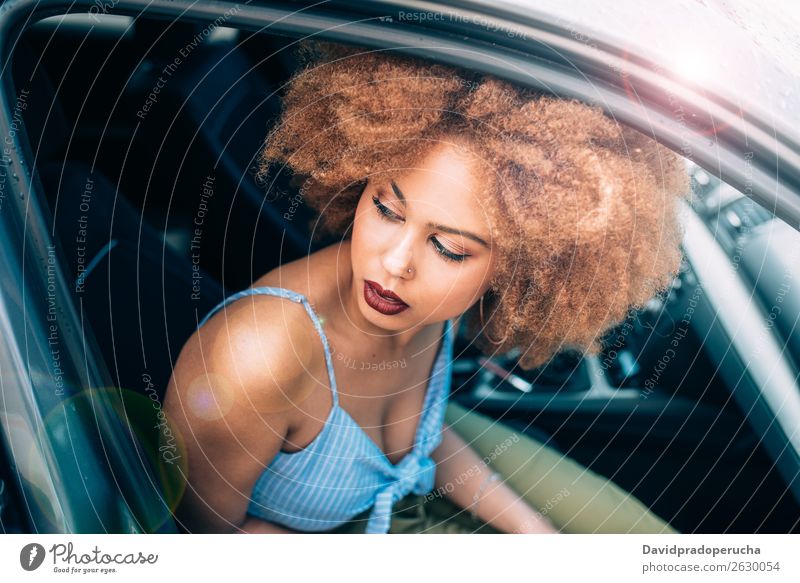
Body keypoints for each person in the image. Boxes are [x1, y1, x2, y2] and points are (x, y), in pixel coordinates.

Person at [163, 40, 688, 534]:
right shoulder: (257, 356)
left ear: (522, 265)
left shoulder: (428, 302)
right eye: (386, 209)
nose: (394, 263)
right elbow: (200, 537)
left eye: (450, 249)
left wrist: (534, 529)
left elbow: (421, 438)